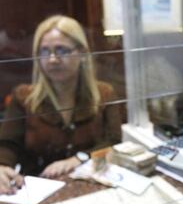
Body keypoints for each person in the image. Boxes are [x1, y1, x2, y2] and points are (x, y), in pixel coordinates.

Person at [0, 15, 121, 194]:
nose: (52, 59)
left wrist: (77, 159)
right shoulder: (23, 97)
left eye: (62, 50)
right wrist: (2, 166)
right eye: (45, 51)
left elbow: (113, 142)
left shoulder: (104, 94)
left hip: (91, 187)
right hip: (37, 192)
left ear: (81, 53)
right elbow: (8, 145)